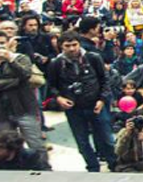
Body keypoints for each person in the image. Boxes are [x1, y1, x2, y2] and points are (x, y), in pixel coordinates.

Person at [0, 31, 49, 170]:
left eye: (2, 43)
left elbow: (26, 74)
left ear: (8, 43)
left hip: (24, 108)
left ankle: (44, 169)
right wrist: (15, 81)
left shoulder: (20, 58)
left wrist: (11, 60)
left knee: (36, 144)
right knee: (4, 146)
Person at [46, 31, 116, 172]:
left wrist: (102, 99)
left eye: (74, 45)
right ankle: (92, 167)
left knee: (106, 139)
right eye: (67, 46)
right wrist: (59, 98)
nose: (72, 49)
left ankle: (114, 164)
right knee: (82, 141)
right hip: (74, 108)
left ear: (79, 44)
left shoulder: (93, 58)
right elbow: (52, 86)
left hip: (96, 105)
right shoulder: (56, 63)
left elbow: (105, 80)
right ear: (61, 46)